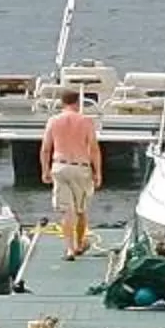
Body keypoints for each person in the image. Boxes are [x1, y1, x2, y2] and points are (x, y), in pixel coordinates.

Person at [41, 87, 103, 259]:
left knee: (66, 212)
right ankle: (80, 243)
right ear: (78, 103)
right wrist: (98, 172)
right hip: (81, 167)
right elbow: (94, 149)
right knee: (81, 210)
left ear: (62, 103)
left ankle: (69, 249)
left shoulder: (53, 121)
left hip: (60, 166)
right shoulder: (86, 121)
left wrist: (45, 170)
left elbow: (46, 149)